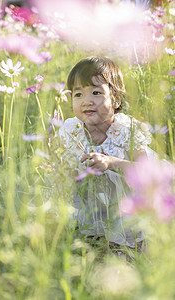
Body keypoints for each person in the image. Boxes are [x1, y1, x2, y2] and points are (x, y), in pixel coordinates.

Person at [59, 56, 155, 248]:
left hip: (127, 207)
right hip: (90, 206)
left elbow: (146, 174)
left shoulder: (129, 130)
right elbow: (64, 173)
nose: (86, 101)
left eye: (96, 92)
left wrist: (111, 162)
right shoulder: (72, 129)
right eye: (78, 95)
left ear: (116, 99)